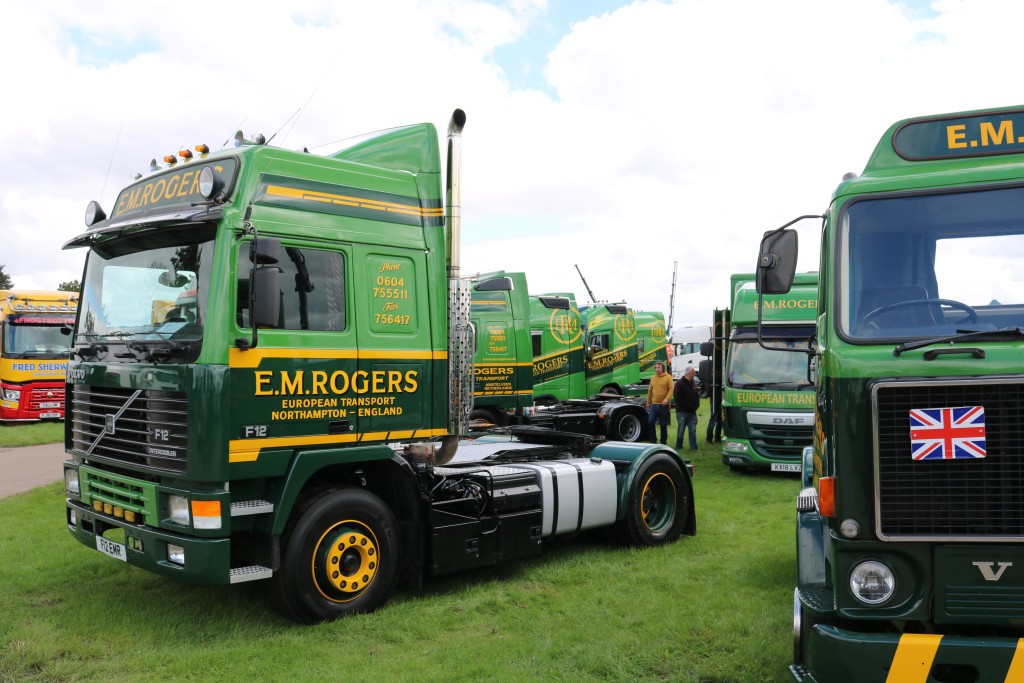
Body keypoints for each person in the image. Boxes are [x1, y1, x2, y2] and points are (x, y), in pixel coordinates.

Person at [674, 365, 700, 451]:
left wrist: (696, 404)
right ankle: (679, 446)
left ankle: (694, 448)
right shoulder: (679, 383)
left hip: (692, 412)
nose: (695, 374)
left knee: (692, 430)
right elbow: (677, 398)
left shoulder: (692, 382)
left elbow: (696, 394)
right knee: (681, 431)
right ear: (689, 373)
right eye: (693, 372)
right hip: (682, 412)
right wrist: (686, 406)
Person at [645, 361, 672, 444]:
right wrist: (648, 402)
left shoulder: (668, 377)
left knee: (663, 424)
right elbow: (650, 391)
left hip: (663, 405)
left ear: (662, 368)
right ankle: (653, 441)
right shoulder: (653, 378)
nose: (657, 369)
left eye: (659, 367)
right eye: (656, 367)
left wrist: (667, 399)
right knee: (650, 421)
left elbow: (671, 389)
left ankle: (663, 441)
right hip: (654, 404)